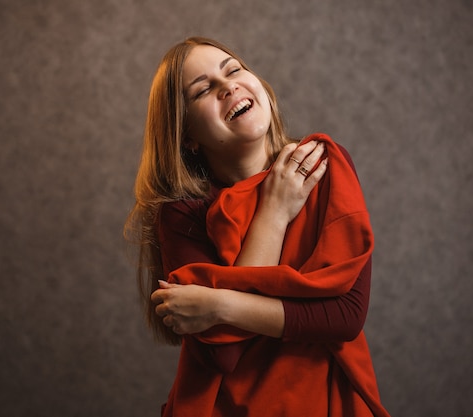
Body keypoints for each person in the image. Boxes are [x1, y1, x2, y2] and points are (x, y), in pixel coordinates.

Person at [124, 36, 390, 417]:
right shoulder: (181, 213)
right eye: (203, 90)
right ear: (187, 138)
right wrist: (274, 212)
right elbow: (223, 352)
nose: (227, 86)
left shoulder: (323, 165)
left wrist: (221, 303)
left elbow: (345, 316)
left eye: (233, 69)